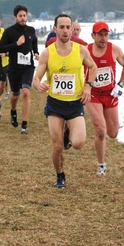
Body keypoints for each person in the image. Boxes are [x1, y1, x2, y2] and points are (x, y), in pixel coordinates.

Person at [32, 14, 97, 188]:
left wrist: (88, 86)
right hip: (55, 104)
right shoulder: (47, 53)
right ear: (55, 29)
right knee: (57, 145)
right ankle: (60, 175)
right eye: (61, 27)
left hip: (75, 104)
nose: (65, 30)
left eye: (68, 27)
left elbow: (93, 67)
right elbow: (36, 77)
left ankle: (69, 131)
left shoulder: (81, 50)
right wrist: (38, 84)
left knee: (78, 143)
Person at [84, 21, 124, 175]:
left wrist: (120, 84)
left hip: (110, 93)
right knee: (101, 130)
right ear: (93, 35)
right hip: (93, 94)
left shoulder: (114, 49)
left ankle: (99, 139)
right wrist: (85, 86)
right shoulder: (86, 51)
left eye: (106, 34)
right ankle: (101, 164)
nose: (103, 38)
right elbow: (75, 67)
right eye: (100, 35)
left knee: (113, 133)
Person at [0, 5, 39, 134]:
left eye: (24, 16)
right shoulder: (9, 31)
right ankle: (13, 111)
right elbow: (2, 48)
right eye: (20, 16)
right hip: (14, 68)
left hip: (28, 67)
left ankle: (24, 124)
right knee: (15, 95)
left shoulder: (31, 30)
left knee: (26, 92)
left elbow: (34, 42)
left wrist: (36, 52)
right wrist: (16, 44)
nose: (23, 18)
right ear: (15, 17)